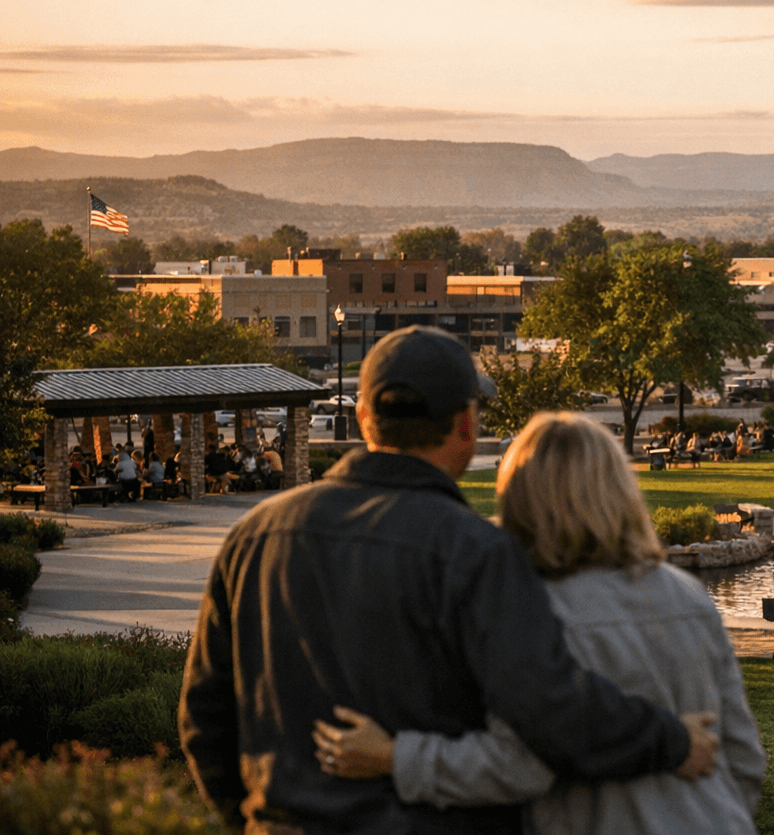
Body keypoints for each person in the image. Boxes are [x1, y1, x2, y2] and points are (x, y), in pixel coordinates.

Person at [179, 326, 716, 834]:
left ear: (365, 417)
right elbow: (550, 708)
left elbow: (205, 719)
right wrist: (670, 739)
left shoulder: (255, 537)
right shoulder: (474, 552)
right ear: (466, 424)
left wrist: (254, 818)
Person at [313, 412, 766, 835]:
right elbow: (744, 757)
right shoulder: (685, 592)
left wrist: (398, 758)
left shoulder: (530, 606)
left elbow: (520, 766)